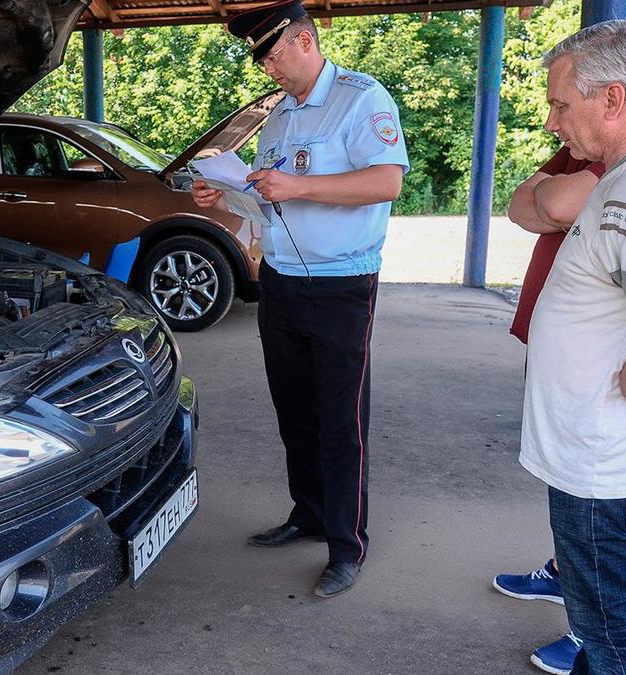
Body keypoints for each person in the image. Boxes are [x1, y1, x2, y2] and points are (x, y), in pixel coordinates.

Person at [495, 17, 626, 675]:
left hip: (608, 463)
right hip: (599, 456)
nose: (552, 120)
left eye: (561, 103)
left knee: (616, 640)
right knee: (603, 622)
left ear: (612, 98)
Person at [191, 1, 409, 598]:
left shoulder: (362, 98)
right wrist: (231, 195)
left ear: (305, 40)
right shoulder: (281, 115)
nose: (266, 67)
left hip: (342, 285)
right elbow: (272, 199)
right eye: (260, 57)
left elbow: (387, 181)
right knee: (295, 410)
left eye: (272, 52)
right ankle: (308, 513)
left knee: (342, 422)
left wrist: (299, 185)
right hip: (283, 281)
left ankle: (347, 546)